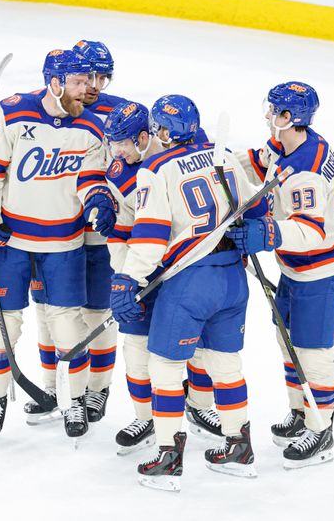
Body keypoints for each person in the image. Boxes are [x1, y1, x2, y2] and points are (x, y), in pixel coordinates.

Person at [110, 95, 264, 491]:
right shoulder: (225, 156)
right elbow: (257, 205)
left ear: (162, 131)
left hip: (190, 281)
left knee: (164, 367)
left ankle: (168, 457)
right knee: (226, 366)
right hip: (233, 278)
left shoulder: (156, 168)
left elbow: (150, 235)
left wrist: (128, 279)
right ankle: (239, 448)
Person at [0, 49, 115, 439]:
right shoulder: (15, 114)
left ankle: (73, 402)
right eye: (79, 83)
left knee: (69, 328)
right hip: (11, 242)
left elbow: (90, 177)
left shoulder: (91, 128)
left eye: (90, 82)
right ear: (55, 82)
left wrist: (97, 198)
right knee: (0, 328)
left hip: (64, 243)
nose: (87, 91)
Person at [228, 81, 334, 469]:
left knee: (313, 353)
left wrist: (267, 232)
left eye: (275, 111)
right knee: (289, 343)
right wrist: (218, 161)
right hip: (296, 267)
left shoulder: (307, 174)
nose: (268, 116)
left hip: (319, 270)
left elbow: (312, 231)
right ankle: (302, 411)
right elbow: (257, 160)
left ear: (290, 118)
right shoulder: (293, 142)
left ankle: (322, 429)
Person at [103, 100, 224, 454]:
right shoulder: (119, 172)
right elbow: (120, 234)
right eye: (113, 143)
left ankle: (200, 408)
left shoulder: (180, 155)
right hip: (143, 275)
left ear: (146, 136)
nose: (118, 152)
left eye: (124, 142)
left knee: (200, 349)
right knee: (137, 352)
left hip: (185, 272)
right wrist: (125, 277)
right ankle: (146, 417)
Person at [25, 40, 126, 427]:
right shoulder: (51, 108)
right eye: (90, 76)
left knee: (98, 314)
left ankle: (97, 390)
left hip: (100, 233)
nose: (96, 84)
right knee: (50, 313)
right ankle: (53, 388)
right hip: (52, 230)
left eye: (104, 76)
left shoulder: (120, 112)